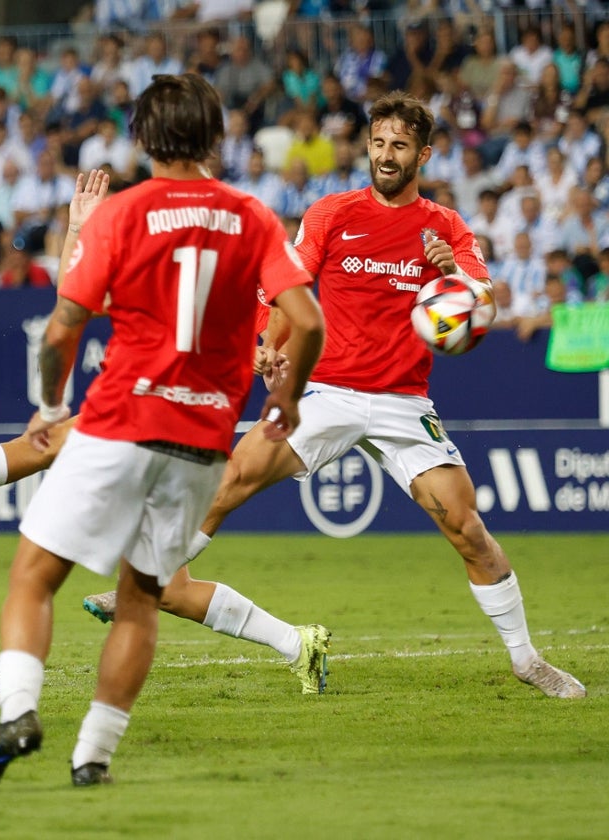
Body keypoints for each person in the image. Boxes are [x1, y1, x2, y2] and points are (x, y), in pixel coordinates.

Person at [80, 92, 586, 700]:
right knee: (229, 479)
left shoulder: (446, 227)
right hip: (329, 392)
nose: (385, 155)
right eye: (377, 143)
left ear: (423, 153)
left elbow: (483, 307)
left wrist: (452, 273)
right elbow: (283, 286)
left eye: (399, 146)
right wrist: (266, 346)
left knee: (467, 528)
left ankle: (527, 659)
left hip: (403, 402)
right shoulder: (330, 214)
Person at [0, 74, 325, 790]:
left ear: (144, 140)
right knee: (142, 597)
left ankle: (19, 713)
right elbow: (306, 321)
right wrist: (291, 402)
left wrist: (51, 403)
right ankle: (92, 757)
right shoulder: (252, 216)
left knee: (34, 575)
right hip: (203, 441)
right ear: (215, 138)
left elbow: (63, 327)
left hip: (121, 420)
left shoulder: (122, 214)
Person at [0, 170, 334, 694]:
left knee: (49, 453)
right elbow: (73, 295)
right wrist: (79, 228)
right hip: (163, 414)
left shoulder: (237, 258)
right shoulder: (174, 255)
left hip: (175, 419)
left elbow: (273, 326)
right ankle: (297, 642)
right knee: (168, 589)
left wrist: (264, 356)